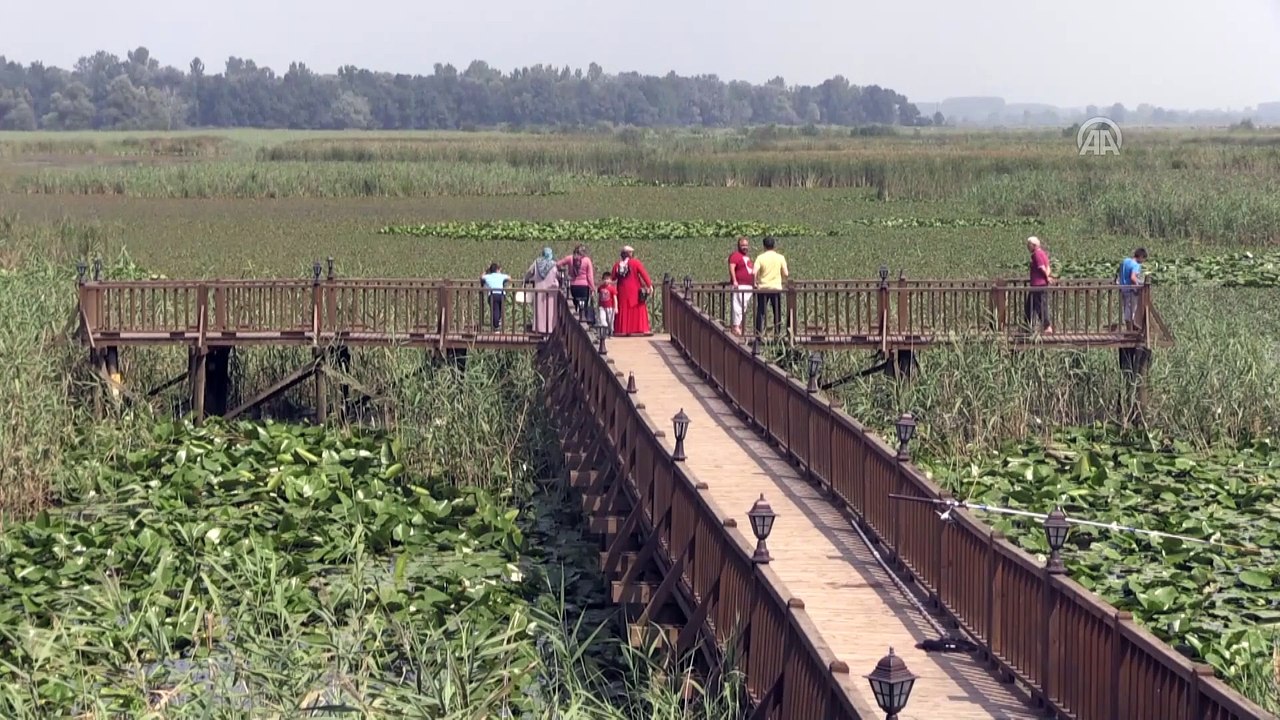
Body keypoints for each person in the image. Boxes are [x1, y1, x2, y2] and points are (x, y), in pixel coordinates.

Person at [611, 245, 654, 336]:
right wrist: (649, 285)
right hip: (635, 289)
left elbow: (613, 277)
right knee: (638, 306)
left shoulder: (618, 264)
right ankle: (639, 328)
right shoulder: (635, 263)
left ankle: (622, 329)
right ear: (630, 254)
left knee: (623, 307)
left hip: (622, 290)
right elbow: (644, 274)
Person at [753, 236, 789, 337]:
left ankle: (758, 334)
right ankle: (777, 333)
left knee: (761, 312)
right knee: (776, 311)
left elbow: (754, 272)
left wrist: (755, 283)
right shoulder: (780, 257)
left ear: (764, 246)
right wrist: (783, 281)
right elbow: (786, 273)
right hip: (776, 288)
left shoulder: (760, 258)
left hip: (763, 288)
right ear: (774, 246)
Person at [523, 247, 560, 334]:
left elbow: (529, 273)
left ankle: (538, 328)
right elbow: (559, 275)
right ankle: (550, 329)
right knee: (550, 310)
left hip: (539, 290)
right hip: (551, 291)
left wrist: (526, 280)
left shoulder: (537, 263)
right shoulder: (554, 264)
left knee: (539, 310)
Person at [557, 244, 595, 320]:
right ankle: (582, 318)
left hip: (573, 285)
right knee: (583, 305)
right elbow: (590, 276)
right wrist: (592, 288)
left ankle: (573, 320)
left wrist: (562, 275)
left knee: (574, 305)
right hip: (584, 286)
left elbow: (558, 264)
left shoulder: (570, 258)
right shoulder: (587, 260)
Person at [1025, 236, 1054, 334]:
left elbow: (1042, 268)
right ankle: (1026, 327)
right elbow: (1047, 267)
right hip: (1039, 285)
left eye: (1028, 245)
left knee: (1040, 306)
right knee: (1030, 306)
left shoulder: (1036, 255)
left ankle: (1047, 326)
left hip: (1038, 285)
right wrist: (1048, 276)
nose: (1027, 247)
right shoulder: (1043, 253)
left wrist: (1046, 278)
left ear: (1034, 245)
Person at [727, 236, 754, 335]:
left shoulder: (746, 257)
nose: (745, 247)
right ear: (739, 246)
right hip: (740, 285)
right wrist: (734, 280)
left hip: (748, 285)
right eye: (743, 245)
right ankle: (735, 326)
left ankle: (740, 325)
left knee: (744, 306)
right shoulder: (735, 256)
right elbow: (732, 268)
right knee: (737, 306)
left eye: (746, 245)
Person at [1118, 247, 1148, 329]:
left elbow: (1120, 272)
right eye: (1143, 259)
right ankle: (1130, 330)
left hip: (1123, 288)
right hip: (1131, 290)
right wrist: (1138, 285)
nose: (1143, 261)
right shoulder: (1136, 265)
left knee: (1126, 309)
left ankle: (1130, 328)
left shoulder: (1126, 261)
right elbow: (1133, 277)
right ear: (1141, 257)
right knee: (1131, 311)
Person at [480, 262, 510, 330]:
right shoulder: (501, 275)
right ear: (497, 269)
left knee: (495, 310)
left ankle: (496, 326)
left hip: (492, 295)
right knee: (500, 310)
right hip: (502, 294)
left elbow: (481, 277)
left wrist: (486, 271)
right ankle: (497, 324)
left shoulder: (487, 276)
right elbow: (509, 278)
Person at [596, 271, 617, 336]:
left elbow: (615, 298)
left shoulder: (612, 288)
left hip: (610, 307)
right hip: (602, 307)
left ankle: (610, 331)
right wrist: (598, 304)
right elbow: (599, 296)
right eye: (604, 279)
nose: (606, 281)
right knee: (602, 319)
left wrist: (616, 307)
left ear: (610, 280)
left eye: (607, 279)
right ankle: (605, 331)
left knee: (610, 321)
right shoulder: (600, 288)